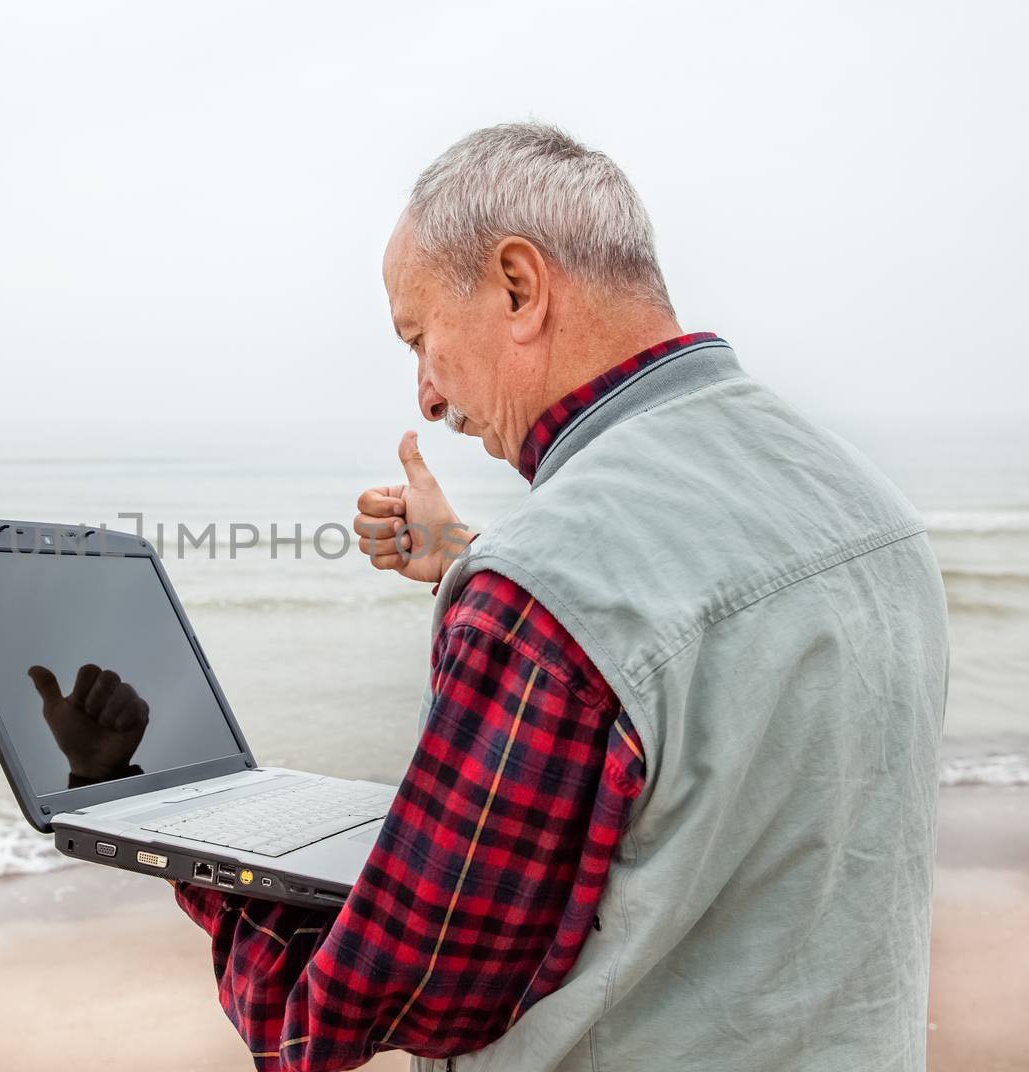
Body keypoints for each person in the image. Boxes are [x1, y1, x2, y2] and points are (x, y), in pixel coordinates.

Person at [169, 121, 949, 1072]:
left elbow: (351, 1014)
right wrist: (467, 554)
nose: (426, 396)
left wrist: (193, 851)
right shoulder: (871, 509)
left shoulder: (542, 598)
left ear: (518, 287)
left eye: (420, 337)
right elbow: (686, 670)